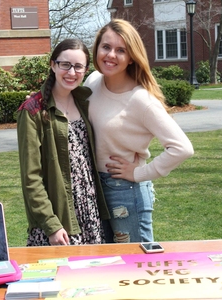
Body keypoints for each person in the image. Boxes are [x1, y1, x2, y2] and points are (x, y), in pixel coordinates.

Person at [83, 19, 194, 243]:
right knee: (104, 262)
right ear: (97, 49)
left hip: (125, 191)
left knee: (135, 262)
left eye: (120, 50)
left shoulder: (141, 100)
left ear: (131, 56)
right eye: (106, 47)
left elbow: (182, 148)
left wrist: (138, 174)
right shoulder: (92, 82)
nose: (110, 55)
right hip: (92, 186)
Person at [17, 39, 110, 247]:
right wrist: (52, 225)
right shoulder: (33, 111)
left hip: (89, 210)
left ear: (86, 70)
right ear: (53, 65)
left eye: (78, 66)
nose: (71, 72)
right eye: (65, 64)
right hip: (59, 216)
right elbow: (31, 178)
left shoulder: (84, 102)